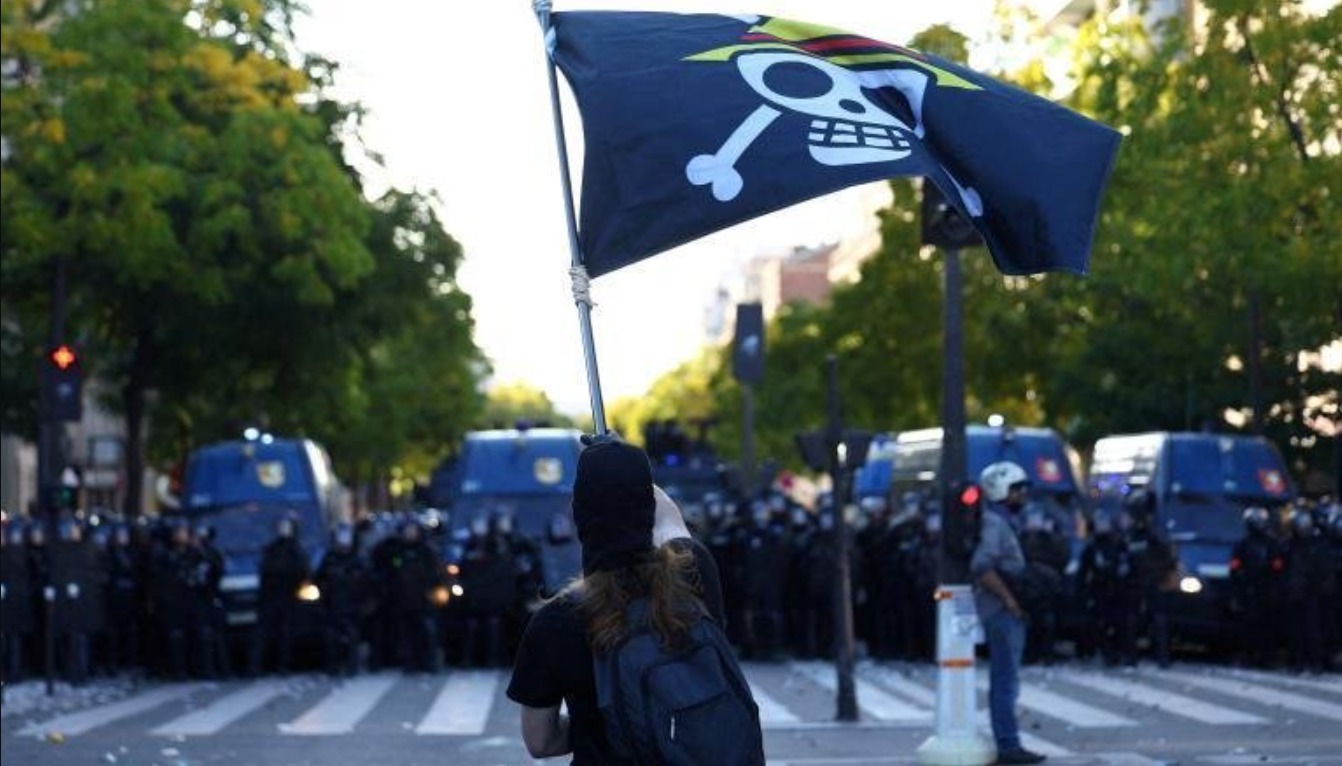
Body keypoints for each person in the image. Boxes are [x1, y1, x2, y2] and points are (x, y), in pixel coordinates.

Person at [507, 437, 761, 764]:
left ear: (575, 515)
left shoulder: (556, 621)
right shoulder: (694, 572)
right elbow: (669, 516)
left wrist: (590, 725)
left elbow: (541, 742)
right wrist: (622, 458)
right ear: (647, 508)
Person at [973, 462, 1045, 766]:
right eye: (1017, 489)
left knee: (1007, 680)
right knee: (1005, 681)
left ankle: (1008, 742)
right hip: (1001, 611)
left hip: (1005, 609)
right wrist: (1010, 601)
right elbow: (982, 566)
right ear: (1000, 490)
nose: (1023, 494)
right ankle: (1008, 745)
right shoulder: (994, 524)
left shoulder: (1002, 521)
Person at [1229, 507, 1283, 667]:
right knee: (1249, 625)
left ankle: (1266, 656)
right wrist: (1239, 588)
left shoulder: (1272, 544)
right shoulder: (1242, 545)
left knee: (1268, 625)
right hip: (1250, 590)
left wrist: (1276, 585)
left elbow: (1278, 567)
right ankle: (1250, 655)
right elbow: (1235, 568)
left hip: (1267, 589)